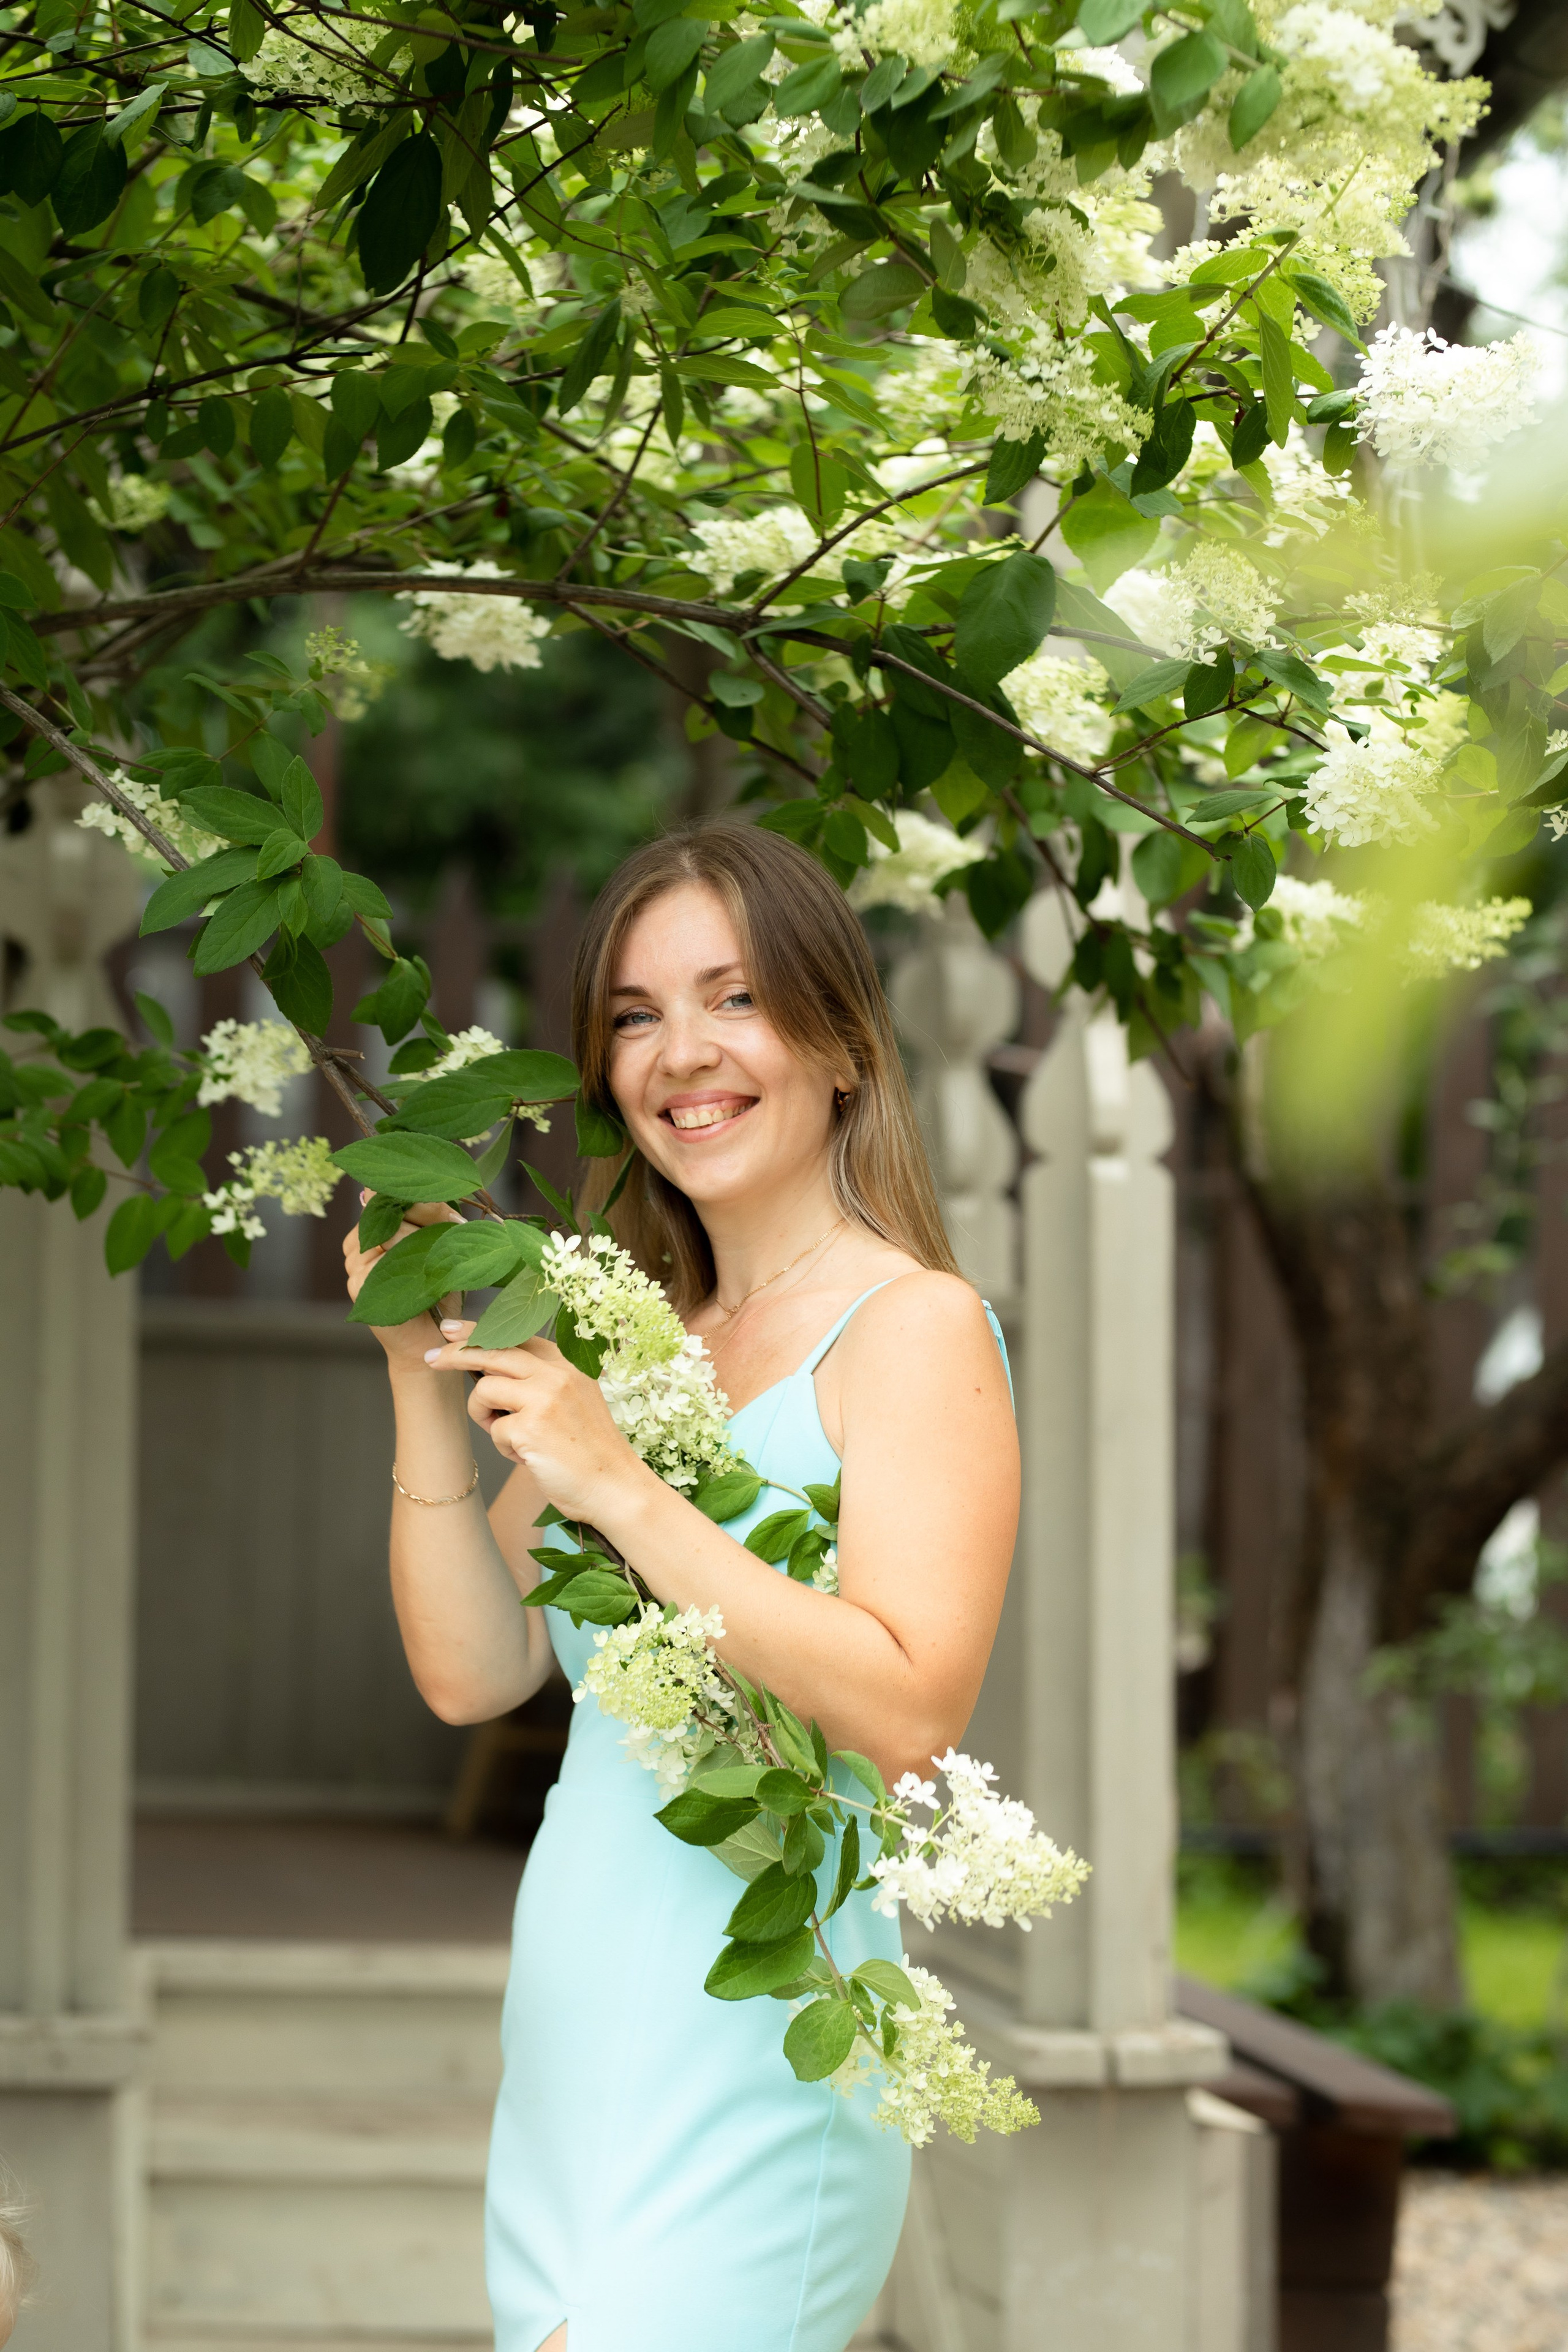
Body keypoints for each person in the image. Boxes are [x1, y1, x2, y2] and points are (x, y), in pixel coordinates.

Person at [345, 824, 1020, 2352]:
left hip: (763, 2041)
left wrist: (623, 1489)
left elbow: (912, 1708)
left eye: (732, 1000)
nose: (681, 1053)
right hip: (580, 2026)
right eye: (638, 1015)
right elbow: (476, 1673)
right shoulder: (643, 1343)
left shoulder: (913, 1328)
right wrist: (410, 1366)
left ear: (841, 1042)